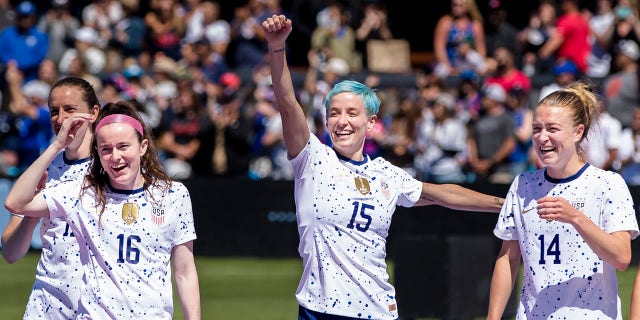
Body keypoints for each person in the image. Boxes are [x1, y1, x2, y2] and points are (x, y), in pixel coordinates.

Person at [262, 14, 505, 320]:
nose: (342, 121)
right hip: (319, 309)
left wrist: (505, 204)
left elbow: (444, 194)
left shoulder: (386, 173)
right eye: (334, 113)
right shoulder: (312, 158)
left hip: (376, 310)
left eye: (352, 112)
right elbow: (286, 103)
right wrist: (277, 48)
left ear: (371, 122)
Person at [3, 100, 201, 319]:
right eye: (106, 149)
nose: (115, 157)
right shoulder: (82, 192)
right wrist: (57, 146)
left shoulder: (173, 195)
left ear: (143, 146)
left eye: (123, 146)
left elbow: (185, 272)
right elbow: (16, 202)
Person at [486, 81, 639, 319]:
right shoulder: (523, 185)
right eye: (537, 129)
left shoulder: (608, 184)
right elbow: (508, 258)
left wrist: (576, 218)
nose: (542, 137)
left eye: (552, 129)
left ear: (578, 132)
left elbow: (621, 257)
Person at [1, 77, 99, 318]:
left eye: (70, 109)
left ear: (94, 113)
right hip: (45, 304)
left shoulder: (112, 167)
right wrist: (32, 215)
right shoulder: (44, 167)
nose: (61, 118)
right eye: (54, 111)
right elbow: (10, 253)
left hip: (97, 304)